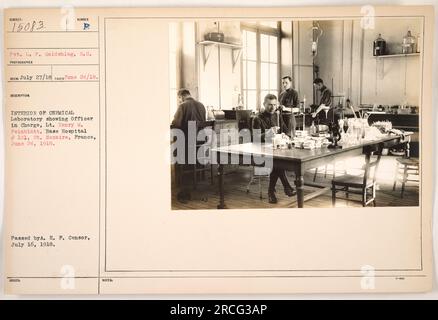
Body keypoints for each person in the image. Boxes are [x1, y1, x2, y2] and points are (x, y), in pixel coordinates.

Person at [253, 94, 296, 204]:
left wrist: (286, 135)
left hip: (276, 150)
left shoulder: (277, 116)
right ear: (264, 104)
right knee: (277, 164)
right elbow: (255, 139)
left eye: (274, 105)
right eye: (269, 105)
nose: (272, 107)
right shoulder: (257, 119)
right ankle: (285, 188)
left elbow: (286, 131)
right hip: (261, 152)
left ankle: (272, 192)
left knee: (277, 163)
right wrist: (268, 133)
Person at [171, 89, 206, 203]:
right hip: (200, 143)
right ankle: (195, 177)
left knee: (175, 148)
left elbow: (176, 124)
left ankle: (181, 182)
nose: (179, 101)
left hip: (187, 143)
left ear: (181, 97)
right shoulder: (201, 105)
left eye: (179, 99)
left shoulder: (182, 106)